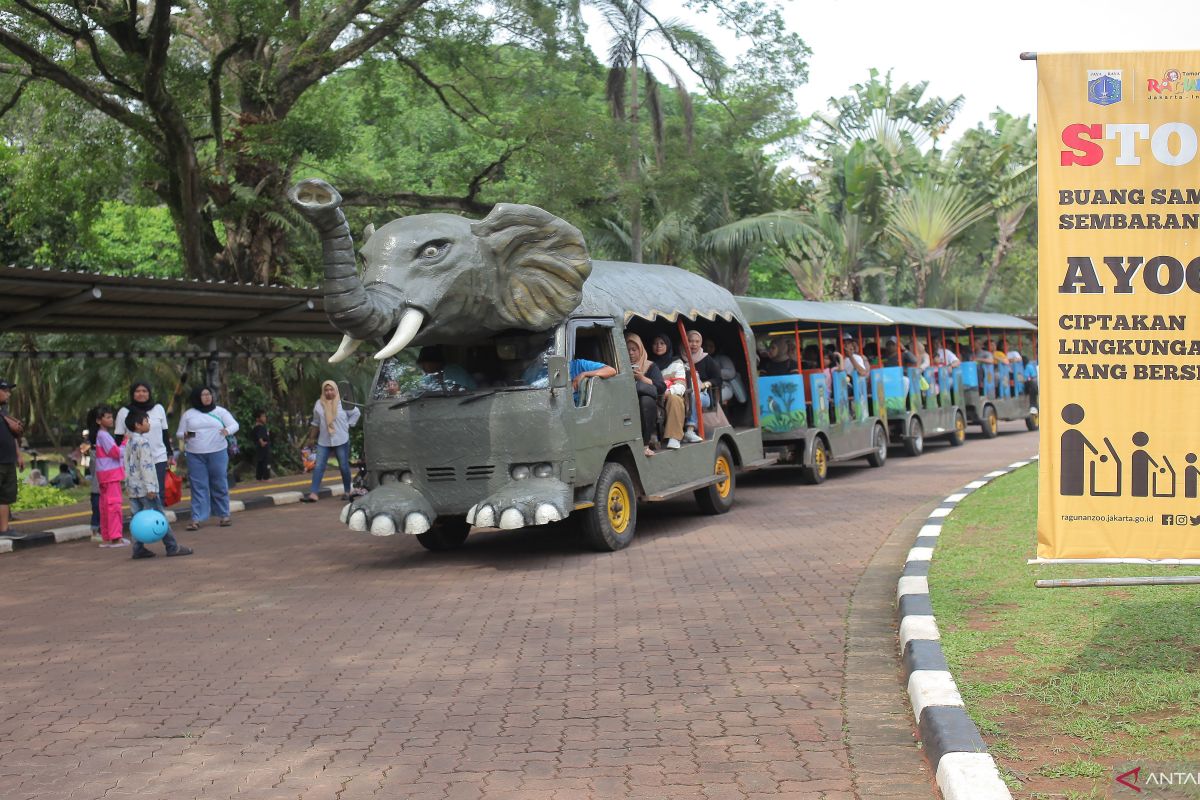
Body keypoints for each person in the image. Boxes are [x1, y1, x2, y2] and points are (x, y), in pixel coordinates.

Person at [124, 409, 192, 559]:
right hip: (146, 489)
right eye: (146, 421)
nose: (149, 424)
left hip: (134, 488)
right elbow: (146, 465)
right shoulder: (143, 442)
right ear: (138, 425)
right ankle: (172, 546)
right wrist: (151, 487)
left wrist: (128, 485)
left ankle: (138, 548)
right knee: (159, 516)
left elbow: (127, 465)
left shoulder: (129, 442)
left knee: (137, 519)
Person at [176, 386, 239, 530]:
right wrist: (188, 435)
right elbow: (179, 433)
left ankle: (224, 515)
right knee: (198, 486)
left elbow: (235, 424)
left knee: (219, 483)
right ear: (197, 397)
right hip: (194, 455)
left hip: (218, 452)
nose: (207, 397)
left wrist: (227, 431)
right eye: (203, 394)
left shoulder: (220, 411)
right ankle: (197, 518)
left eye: (208, 394)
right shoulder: (188, 414)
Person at [115, 381, 175, 506]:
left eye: (144, 391)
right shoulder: (124, 412)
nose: (141, 394)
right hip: (134, 461)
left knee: (157, 491)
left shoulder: (158, 408)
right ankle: (142, 520)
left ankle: (157, 520)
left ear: (149, 393)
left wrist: (169, 453)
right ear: (132, 394)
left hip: (158, 457)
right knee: (139, 492)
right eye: (137, 391)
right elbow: (118, 437)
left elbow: (164, 432)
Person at [301, 380, 361, 503]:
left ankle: (347, 491)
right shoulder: (319, 404)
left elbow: (356, 413)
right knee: (318, 466)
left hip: (341, 439)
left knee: (344, 466)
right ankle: (313, 493)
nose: (328, 392)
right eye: (326, 390)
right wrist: (311, 438)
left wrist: (348, 425)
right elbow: (316, 422)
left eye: (331, 389)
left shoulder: (343, 402)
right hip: (324, 440)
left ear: (336, 390)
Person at [88, 404, 129, 548]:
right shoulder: (104, 435)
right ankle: (116, 537)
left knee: (105, 506)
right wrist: (125, 442)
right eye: (108, 417)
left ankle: (108, 537)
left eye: (111, 416)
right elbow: (116, 453)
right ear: (99, 420)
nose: (111, 419)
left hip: (104, 476)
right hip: (111, 476)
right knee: (114, 506)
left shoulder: (100, 435)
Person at [627, 334, 666, 457]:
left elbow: (661, 387)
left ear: (641, 349)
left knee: (646, 400)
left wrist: (641, 378)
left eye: (634, 349)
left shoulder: (650, 366)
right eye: (627, 350)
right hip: (626, 404)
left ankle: (645, 445)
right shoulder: (618, 365)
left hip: (648, 408)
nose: (631, 353)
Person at [650, 334, 689, 450]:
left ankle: (674, 437)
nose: (658, 346)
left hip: (668, 396)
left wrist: (668, 392)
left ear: (668, 345)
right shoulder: (648, 363)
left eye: (662, 343)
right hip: (653, 396)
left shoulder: (676, 363)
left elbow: (681, 386)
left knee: (675, 398)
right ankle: (651, 437)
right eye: (655, 343)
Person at [683, 329, 722, 442]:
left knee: (695, 396)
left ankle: (690, 430)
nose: (694, 344)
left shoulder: (706, 358)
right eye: (690, 341)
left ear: (701, 343)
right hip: (684, 392)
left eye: (697, 341)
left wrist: (706, 384)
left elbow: (718, 379)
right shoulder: (680, 358)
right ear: (685, 341)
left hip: (704, 394)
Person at [0, 378, 23, 536]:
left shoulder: (4, 413)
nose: (8, 394)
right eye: (5, 390)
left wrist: (18, 454)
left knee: (5, 497)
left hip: (8, 460)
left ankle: (4, 529)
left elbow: (13, 435)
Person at [251, 410, 271, 481]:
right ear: (257, 419)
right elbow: (259, 436)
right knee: (266, 462)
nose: (265, 418)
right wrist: (262, 442)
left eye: (265, 416)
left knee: (260, 462)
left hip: (259, 448)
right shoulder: (261, 427)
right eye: (263, 416)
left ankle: (259, 477)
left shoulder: (255, 427)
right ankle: (266, 477)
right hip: (263, 447)